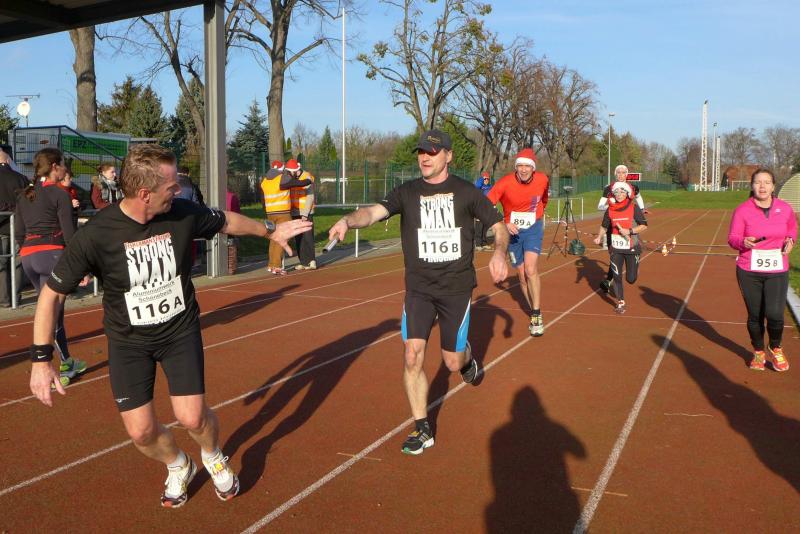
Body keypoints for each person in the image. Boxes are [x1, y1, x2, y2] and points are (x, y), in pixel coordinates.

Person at [28, 144, 312, 507]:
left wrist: (270, 230)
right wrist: (40, 360)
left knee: (192, 418)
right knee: (141, 432)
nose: (178, 190)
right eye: (171, 185)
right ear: (145, 193)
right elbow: (51, 295)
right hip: (128, 343)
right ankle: (179, 464)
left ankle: (212, 454)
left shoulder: (181, 212)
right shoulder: (97, 234)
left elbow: (227, 221)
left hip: (179, 332)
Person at [328, 129, 509, 455]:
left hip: (455, 289)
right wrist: (347, 221)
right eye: (421, 152)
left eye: (432, 152)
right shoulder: (407, 192)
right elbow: (371, 213)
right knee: (412, 354)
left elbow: (498, 226)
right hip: (419, 289)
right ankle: (422, 427)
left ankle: (466, 358)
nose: (425, 157)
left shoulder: (466, 192)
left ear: (448, 156)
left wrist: (498, 253)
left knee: (451, 362)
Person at [16, 148, 88, 387]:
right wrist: (82, 267)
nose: (66, 169)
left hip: (29, 257)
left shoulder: (24, 195)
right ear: (55, 166)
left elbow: (19, 232)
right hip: (52, 255)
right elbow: (69, 234)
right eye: (64, 164)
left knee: (48, 310)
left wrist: (27, 249)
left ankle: (65, 361)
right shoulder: (59, 194)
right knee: (54, 313)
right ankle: (64, 363)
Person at [727, 168, 796, 371]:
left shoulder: (785, 208)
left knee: (775, 314)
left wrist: (791, 240)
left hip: (777, 269)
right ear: (752, 186)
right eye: (758, 182)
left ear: (773, 186)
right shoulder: (742, 210)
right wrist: (743, 242)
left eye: (767, 182)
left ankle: (775, 347)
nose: (762, 186)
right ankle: (758, 351)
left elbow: (792, 229)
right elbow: (732, 238)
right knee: (755, 315)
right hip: (749, 270)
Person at [486, 148, 549, 336]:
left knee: (530, 269)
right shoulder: (505, 183)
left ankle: (536, 314)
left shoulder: (542, 179)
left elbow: (544, 198)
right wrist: (504, 222)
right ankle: (533, 309)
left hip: (533, 228)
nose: (523, 169)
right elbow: (486, 204)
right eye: (520, 166)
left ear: (533, 168)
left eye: (527, 166)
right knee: (521, 275)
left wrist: (539, 213)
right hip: (512, 232)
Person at [592, 181, 648, 314]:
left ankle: (635, 268)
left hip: (632, 247)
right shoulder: (610, 209)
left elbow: (644, 225)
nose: (619, 194)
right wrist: (599, 236)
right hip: (616, 248)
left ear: (627, 194)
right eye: (616, 192)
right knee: (616, 276)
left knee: (631, 279)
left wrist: (630, 231)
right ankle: (620, 302)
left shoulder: (633, 207)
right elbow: (604, 226)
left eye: (622, 192)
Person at [597, 165, 646, 293]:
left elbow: (639, 197)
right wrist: (610, 205)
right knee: (614, 254)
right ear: (615, 174)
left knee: (628, 251)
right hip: (613, 225)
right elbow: (600, 206)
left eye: (623, 172)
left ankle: (631, 264)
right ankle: (609, 279)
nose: (621, 175)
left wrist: (641, 209)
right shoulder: (608, 188)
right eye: (618, 172)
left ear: (627, 174)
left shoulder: (633, 187)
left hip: (629, 225)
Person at [260, 159, 311, 275]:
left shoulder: (264, 181)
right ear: (282, 169)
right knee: (282, 238)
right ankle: (277, 266)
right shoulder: (282, 178)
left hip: (270, 213)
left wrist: (266, 211)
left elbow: (263, 199)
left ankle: (271, 265)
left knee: (273, 238)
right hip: (282, 213)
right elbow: (298, 183)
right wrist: (308, 180)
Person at [0, 149, 29, 307]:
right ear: (8, 161)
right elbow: (30, 200)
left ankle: (3, 298)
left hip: (1, 226)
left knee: (1, 263)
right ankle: (15, 297)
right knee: (17, 262)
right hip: (18, 225)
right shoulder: (21, 178)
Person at [288, 160, 317, 270]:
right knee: (299, 238)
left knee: (308, 237)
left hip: (306, 212)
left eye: (290, 171)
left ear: (296, 170)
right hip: (295, 212)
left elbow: (310, 196)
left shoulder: (307, 177)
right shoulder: (292, 178)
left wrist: (305, 213)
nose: (289, 173)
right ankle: (303, 262)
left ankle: (312, 260)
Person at [474, 171, 492, 250]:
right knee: (479, 226)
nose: (486, 180)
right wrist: (482, 178)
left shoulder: (490, 187)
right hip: (479, 208)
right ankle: (478, 244)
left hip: (487, 208)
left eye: (488, 179)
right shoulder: (479, 187)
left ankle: (484, 243)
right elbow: (477, 186)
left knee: (485, 226)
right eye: (485, 179)